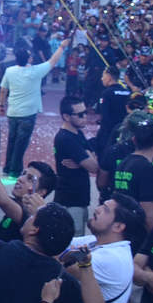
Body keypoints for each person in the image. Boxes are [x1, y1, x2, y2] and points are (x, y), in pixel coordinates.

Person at [64, 195, 147, 303]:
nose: (97, 209)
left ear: (118, 227)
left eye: (105, 209)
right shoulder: (95, 240)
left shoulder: (114, 258)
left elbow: (62, 265)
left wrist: (43, 215)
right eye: (101, 205)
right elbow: (61, 244)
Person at [0, 38, 70, 177]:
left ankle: (7, 168)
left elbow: (3, 90)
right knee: (21, 143)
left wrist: (1, 105)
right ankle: (15, 170)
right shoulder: (35, 71)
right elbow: (53, 61)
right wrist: (62, 47)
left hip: (12, 112)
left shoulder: (9, 71)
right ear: (28, 59)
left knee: (12, 141)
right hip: (28, 113)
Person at [53, 94, 98, 235]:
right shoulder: (66, 138)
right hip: (70, 201)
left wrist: (82, 160)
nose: (85, 117)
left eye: (85, 112)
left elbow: (93, 159)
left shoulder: (78, 133)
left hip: (79, 198)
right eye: (80, 114)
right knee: (74, 240)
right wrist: (86, 158)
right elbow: (94, 167)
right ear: (66, 117)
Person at [110, 118, 153, 231]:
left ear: (134, 140)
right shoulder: (148, 169)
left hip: (124, 227)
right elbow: (149, 215)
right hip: (141, 231)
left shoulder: (124, 163)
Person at [94, 65, 132, 158]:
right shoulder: (127, 92)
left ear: (109, 77)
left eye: (103, 76)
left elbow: (104, 116)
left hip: (109, 133)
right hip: (125, 132)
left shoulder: (106, 93)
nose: (102, 78)